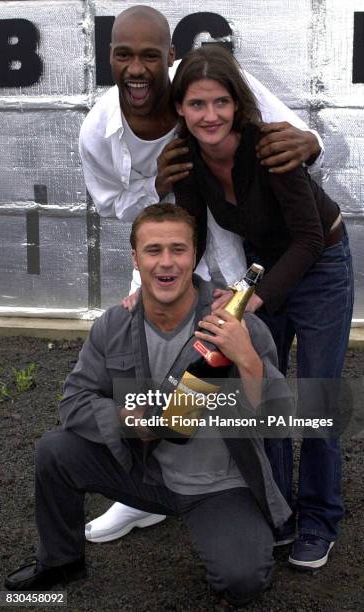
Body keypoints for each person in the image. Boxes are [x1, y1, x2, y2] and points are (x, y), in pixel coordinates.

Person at [80, 4, 324, 542]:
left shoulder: (206, 78)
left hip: (245, 261)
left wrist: (313, 143)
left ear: (170, 57)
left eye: (149, 55)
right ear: (110, 58)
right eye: (123, 55)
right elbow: (118, 208)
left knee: (252, 379)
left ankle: (253, 495)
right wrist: (153, 191)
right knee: (151, 363)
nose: (137, 69)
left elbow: (293, 133)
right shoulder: (98, 132)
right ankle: (141, 493)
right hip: (177, 255)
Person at [5, 205, 293, 608]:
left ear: (195, 257)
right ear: (135, 259)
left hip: (219, 487)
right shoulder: (115, 324)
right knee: (55, 450)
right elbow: (74, 401)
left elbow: (281, 420)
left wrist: (247, 359)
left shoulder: (235, 324)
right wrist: (125, 420)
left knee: (243, 581)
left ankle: (233, 542)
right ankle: (62, 561)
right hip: (146, 472)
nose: (166, 261)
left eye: (178, 249)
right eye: (153, 250)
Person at [168, 44, 354, 570]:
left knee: (317, 396)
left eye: (221, 103)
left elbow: (310, 240)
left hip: (319, 267)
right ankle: (281, 510)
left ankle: (320, 517)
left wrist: (253, 300)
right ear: (180, 108)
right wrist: (166, 289)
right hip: (263, 272)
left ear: (238, 104)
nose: (210, 116)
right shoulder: (187, 162)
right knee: (262, 387)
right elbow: (193, 235)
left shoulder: (269, 147)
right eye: (197, 104)